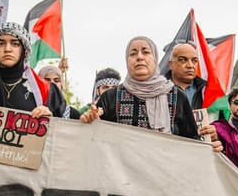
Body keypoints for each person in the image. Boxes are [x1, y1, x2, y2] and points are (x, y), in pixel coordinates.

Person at [81, 36, 221, 149]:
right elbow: (94, 141)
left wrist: (211, 146)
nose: (140, 57)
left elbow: (193, 142)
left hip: (165, 178)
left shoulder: (176, 96)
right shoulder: (111, 97)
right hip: (121, 179)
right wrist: (88, 122)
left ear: (155, 59)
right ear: (127, 60)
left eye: (146, 52)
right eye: (133, 53)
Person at [165, 42, 206, 109]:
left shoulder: (206, 90)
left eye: (194, 61)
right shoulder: (158, 90)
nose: (190, 65)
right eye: (183, 60)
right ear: (171, 65)